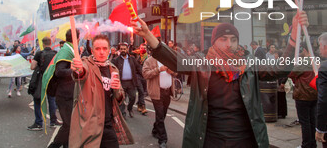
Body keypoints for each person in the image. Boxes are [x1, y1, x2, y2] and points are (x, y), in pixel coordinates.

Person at [131, 11, 308, 148]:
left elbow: (280, 69)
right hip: (210, 139)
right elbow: (176, 62)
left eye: (233, 39)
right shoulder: (202, 62)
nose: (228, 43)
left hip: (245, 139)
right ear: (214, 42)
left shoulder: (250, 63)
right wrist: (148, 35)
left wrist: (293, 38)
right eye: (223, 39)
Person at [69, 34, 134, 148]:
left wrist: (117, 88)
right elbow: (80, 73)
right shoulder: (86, 64)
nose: (101, 52)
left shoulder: (113, 69)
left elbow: (119, 99)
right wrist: (78, 69)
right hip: (89, 126)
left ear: (109, 50)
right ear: (92, 51)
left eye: (104, 48)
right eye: (97, 49)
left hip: (108, 124)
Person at [47, 29, 79, 148]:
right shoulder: (65, 51)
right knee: (68, 125)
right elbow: (59, 72)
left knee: (70, 125)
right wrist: (73, 70)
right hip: (64, 95)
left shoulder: (68, 50)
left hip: (69, 94)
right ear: (77, 39)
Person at [289, 43, 317, 148]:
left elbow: (291, 73)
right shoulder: (316, 60)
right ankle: (312, 143)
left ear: (304, 50)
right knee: (312, 121)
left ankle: (306, 145)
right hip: (314, 94)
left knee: (305, 122)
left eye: (300, 50)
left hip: (303, 95)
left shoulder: (303, 62)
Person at [27, 37, 59, 131]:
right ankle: (53, 121)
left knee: (37, 100)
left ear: (43, 44)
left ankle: (38, 123)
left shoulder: (39, 53)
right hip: (52, 80)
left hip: (41, 81)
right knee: (52, 100)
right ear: (51, 43)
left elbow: (32, 67)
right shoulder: (55, 54)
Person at [143, 56, 175, 148]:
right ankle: (162, 140)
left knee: (163, 114)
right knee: (160, 115)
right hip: (157, 92)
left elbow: (176, 72)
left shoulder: (168, 59)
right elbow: (145, 74)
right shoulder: (149, 60)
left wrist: (172, 72)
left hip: (167, 92)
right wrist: (159, 69)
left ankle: (155, 130)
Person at [112, 42, 139, 118]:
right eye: (121, 49)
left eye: (124, 49)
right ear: (119, 50)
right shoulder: (115, 60)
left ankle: (130, 109)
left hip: (131, 83)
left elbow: (138, 68)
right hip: (121, 83)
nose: (123, 50)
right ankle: (123, 113)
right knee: (122, 99)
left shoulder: (132, 59)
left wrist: (144, 74)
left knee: (133, 97)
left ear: (127, 49)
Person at [316, 32, 327, 147]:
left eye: (319, 46)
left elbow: (323, 100)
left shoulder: (324, 67)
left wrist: (320, 128)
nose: (319, 49)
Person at [136, 43, 148, 114]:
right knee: (140, 91)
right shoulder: (137, 56)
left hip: (145, 77)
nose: (143, 49)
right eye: (142, 48)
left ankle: (139, 103)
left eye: (145, 48)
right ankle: (143, 106)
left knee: (143, 92)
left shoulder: (148, 58)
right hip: (138, 76)